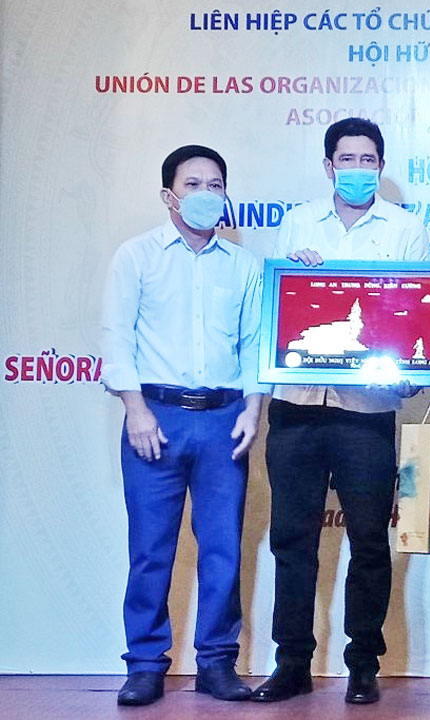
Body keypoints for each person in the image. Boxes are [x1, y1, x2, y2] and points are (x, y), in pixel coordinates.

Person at [252, 118, 429, 705]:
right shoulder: (297, 224)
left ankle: (362, 663)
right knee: (292, 540)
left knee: (370, 543)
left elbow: (411, 315)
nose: (358, 169)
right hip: (297, 409)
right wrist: (295, 279)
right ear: (329, 166)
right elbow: (279, 312)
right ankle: (292, 662)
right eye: (347, 159)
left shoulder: (407, 230)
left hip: (368, 411)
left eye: (368, 159)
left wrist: (412, 368)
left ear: (380, 165)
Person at [101, 145, 265, 706]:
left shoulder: (244, 266)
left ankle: (217, 664)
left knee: (222, 547)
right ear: (170, 195)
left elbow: (253, 345)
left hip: (223, 420)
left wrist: (252, 408)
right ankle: (145, 663)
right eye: (193, 183)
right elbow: (116, 336)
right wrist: (135, 408)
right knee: (151, 549)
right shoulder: (136, 256)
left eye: (215, 184)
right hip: (156, 418)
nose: (206, 193)